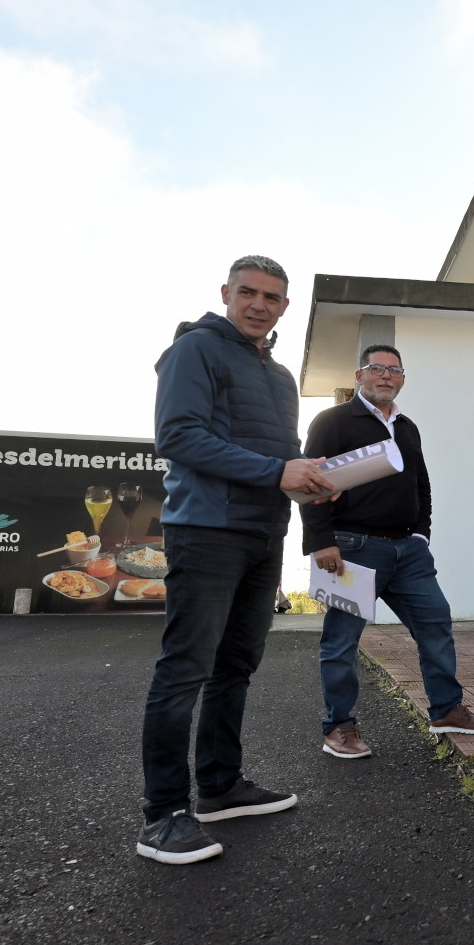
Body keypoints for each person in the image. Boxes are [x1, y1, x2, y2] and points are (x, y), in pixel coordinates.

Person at [137, 255, 336, 865]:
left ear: (285, 307)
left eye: (272, 297)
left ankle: (220, 787)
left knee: (236, 666)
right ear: (225, 292)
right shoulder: (195, 350)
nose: (258, 305)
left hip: (262, 532)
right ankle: (163, 815)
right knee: (185, 668)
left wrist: (310, 480)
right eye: (248, 292)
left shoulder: (279, 376)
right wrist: (278, 471)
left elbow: (279, 454)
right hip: (206, 529)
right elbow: (177, 436)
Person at [301, 343, 474, 759]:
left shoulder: (407, 427)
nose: (386, 376)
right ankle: (339, 728)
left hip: (408, 551)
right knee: (342, 641)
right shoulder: (333, 421)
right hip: (352, 548)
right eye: (377, 368)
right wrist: (320, 541)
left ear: (402, 379)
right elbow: (310, 483)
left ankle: (446, 710)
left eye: (394, 370)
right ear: (359, 376)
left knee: (435, 623)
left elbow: (421, 484)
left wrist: (421, 534)